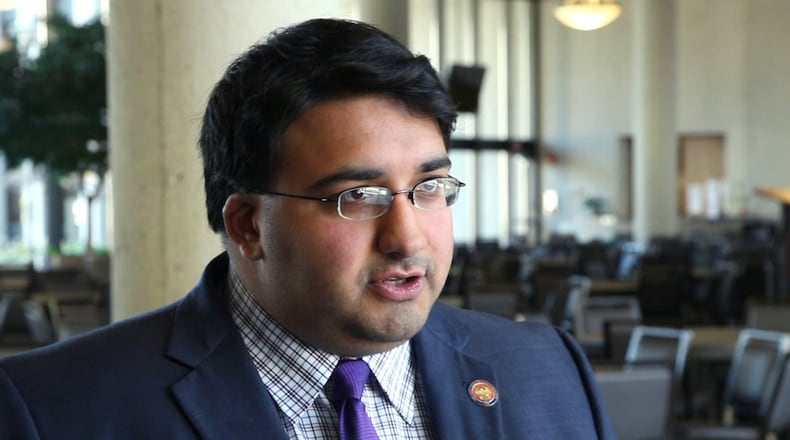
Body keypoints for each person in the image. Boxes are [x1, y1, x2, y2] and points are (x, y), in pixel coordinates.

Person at [0, 18, 616, 439]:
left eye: (429, 188)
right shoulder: (58, 408)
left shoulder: (546, 371)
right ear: (247, 226)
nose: (408, 238)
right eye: (357, 197)